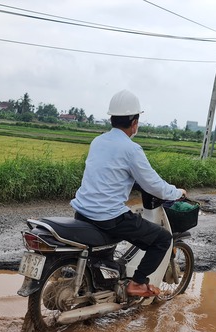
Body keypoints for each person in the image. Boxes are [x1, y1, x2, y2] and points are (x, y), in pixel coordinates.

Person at [70, 89, 187, 298]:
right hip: (108, 218)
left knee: (106, 250)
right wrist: (176, 193)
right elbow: (153, 185)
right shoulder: (131, 149)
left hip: (82, 212)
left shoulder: (97, 142)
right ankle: (137, 283)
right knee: (162, 239)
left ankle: (101, 284)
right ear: (134, 122)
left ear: (112, 119)